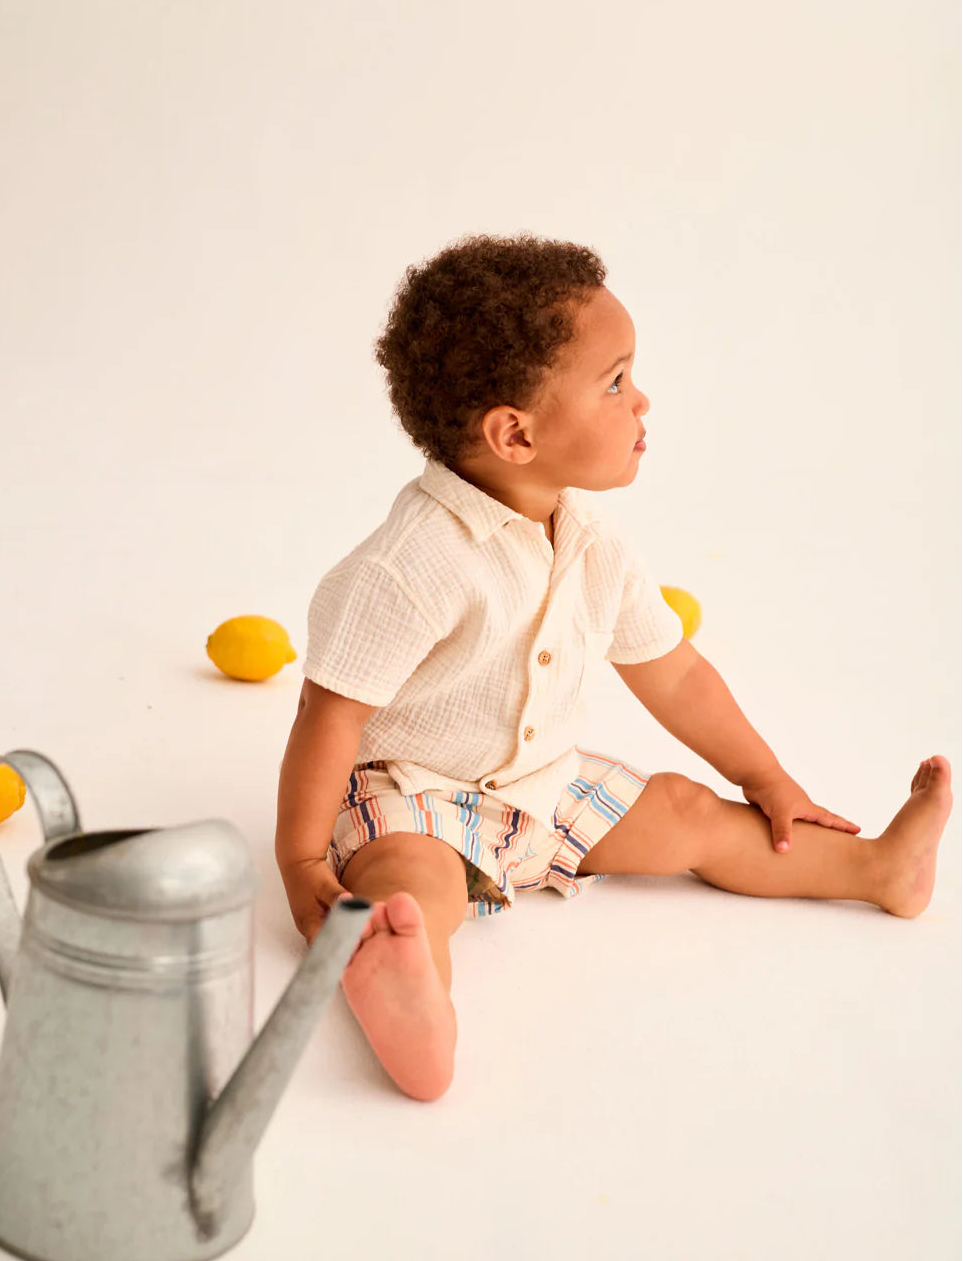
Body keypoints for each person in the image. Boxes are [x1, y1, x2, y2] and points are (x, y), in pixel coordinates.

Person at [274, 232, 953, 1103]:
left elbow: (673, 673)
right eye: (615, 382)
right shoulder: (409, 566)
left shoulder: (592, 542)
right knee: (413, 882)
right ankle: (412, 994)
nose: (642, 401)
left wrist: (765, 775)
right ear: (513, 435)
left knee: (687, 812)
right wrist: (299, 861)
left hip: (542, 785)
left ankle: (877, 871)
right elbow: (328, 714)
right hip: (414, 791)